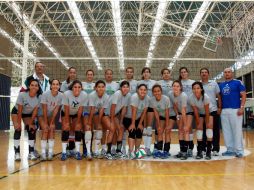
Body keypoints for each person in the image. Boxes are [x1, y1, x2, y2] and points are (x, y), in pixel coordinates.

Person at [12, 79, 42, 161]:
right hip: (17, 112)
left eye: (36, 85)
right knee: (18, 129)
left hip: (28, 114)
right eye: (32, 85)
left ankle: (31, 153)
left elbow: (35, 111)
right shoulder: (22, 95)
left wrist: (31, 123)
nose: (34, 87)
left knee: (32, 129)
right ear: (29, 86)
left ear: (38, 88)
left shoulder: (39, 97)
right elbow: (20, 110)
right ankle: (17, 153)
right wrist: (19, 123)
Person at [219, 68, 246, 158]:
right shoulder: (221, 84)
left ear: (232, 73)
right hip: (224, 110)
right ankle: (230, 150)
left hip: (235, 109)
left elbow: (243, 95)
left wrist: (241, 108)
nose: (227, 73)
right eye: (225, 72)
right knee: (226, 131)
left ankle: (239, 151)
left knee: (237, 130)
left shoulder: (238, 82)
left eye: (229, 72)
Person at [102, 81, 130, 159]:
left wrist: (121, 122)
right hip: (106, 115)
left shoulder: (127, 96)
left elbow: (124, 109)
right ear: (121, 88)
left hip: (114, 115)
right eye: (124, 87)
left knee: (121, 128)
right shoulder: (118, 93)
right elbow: (112, 107)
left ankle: (118, 151)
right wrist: (111, 121)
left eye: (127, 87)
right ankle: (108, 152)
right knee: (112, 128)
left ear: (129, 88)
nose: (125, 88)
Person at [61, 80, 88, 161]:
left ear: (81, 88)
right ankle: (64, 152)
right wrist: (67, 121)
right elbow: (66, 109)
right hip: (66, 112)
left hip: (76, 113)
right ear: (72, 88)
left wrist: (78, 121)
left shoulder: (84, 95)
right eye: (75, 87)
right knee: (66, 127)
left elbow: (80, 109)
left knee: (78, 128)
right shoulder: (66, 94)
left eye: (79, 87)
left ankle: (77, 152)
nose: (77, 89)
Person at [123, 84, 149, 159]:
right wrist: (133, 124)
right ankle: (130, 152)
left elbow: (144, 112)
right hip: (128, 118)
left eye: (144, 90)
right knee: (132, 131)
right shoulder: (134, 97)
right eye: (141, 89)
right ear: (137, 90)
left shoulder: (147, 98)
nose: (143, 91)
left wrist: (140, 124)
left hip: (138, 118)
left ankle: (136, 151)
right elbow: (134, 111)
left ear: (146, 91)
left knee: (139, 131)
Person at [38, 79, 63, 161]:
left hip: (50, 115)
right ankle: (43, 153)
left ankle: (50, 152)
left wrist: (51, 122)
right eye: (54, 84)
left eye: (57, 84)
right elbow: (44, 109)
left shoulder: (60, 95)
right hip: (42, 115)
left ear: (59, 86)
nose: (55, 86)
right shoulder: (45, 94)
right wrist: (46, 123)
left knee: (52, 128)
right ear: (51, 86)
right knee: (45, 129)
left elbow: (56, 109)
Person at [200, 68, 222, 156]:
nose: (204, 73)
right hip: (202, 111)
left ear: (208, 74)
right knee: (204, 130)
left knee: (215, 130)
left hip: (213, 110)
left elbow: (218, 96)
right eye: (202, 72)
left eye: (205, 72)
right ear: (200, 74)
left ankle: (215, 148)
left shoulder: (214, 83)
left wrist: (220, 107)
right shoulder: (198, 85)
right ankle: (204, 148)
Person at [86, 80, 109, 160]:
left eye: (102, 87)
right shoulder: (92, 95)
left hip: (96, 112)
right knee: (88, 129)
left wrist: (99, 123)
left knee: (99, 129)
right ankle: (88, 152)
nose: (101, 88)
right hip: (86, 112)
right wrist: (89, 122)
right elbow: (91, 109)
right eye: (99, 87)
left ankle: (96, 152)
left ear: (105, 88)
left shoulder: (106, 96)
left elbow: (101, 110)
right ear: (95, 88)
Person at [190, 82, 213, 160]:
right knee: (199, 129)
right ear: (192, 90)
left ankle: (208, 151)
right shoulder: (191, 98)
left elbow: (207, 112)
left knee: (209, 128)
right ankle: (199, 150)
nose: (196, 90)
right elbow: (196, 112)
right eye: (194, 88)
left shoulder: (205, 97)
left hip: (209, 112)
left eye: (198, 88)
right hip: (200, 113)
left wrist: (207, 123)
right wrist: (198, 123)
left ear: (201, 89)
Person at [120, 67, 138, 154]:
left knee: (132, 130)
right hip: (123, 108)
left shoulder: (136, 83)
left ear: (133, 73)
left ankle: (131, 150)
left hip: (133, 110)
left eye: (131, 72)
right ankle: (123, 148)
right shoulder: (121, 82)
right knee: (122, 130)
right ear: (125, 73)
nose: (129, 73)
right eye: (128, 72)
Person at [150, 84, 171, 159]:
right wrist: (158, 125)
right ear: (153, 93)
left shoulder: (166, 99)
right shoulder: (152, 100)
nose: (157, 93)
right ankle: (159, 150)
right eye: (155, 91)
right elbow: (156, 113)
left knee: (167, 131)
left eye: (158, 91)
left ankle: (166, 151)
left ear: (161, 91)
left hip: (170, 116)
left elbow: (167, 112)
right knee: (159, 131)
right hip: (161, 117)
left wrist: (168, 124)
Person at [169, 80, 189, 160]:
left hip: (188, 113)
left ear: (180, 87)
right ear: (172, 87)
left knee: (186, 130)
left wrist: (185, 124)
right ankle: (181, 151)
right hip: (180, 113)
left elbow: (184, 110)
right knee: (180, 131)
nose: (175, 88)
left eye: (177, 86)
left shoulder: (183, 95)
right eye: (174, 86)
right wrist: (177, 114)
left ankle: (185, 152)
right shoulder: (171, 94)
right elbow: (174, 105)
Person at [138, 67, 156, 156]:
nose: (146, 73)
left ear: (150, 74)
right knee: (143, 128)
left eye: (148, 72)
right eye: (144, 72)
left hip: (151, 106)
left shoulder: (153, 83)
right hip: (141, 106)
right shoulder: (139, 83)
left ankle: (148, 148)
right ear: (142, 74)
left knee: (149, 127)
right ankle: (145, 147)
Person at [60, 67, 77, 157]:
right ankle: (65, 148)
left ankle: (72, 147)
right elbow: (63, 97)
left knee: (73, 129)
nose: (72, 74)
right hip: (65, 109)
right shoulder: (64, 84)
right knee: (65, 128)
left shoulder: (77, 84)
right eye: (71, 72)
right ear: (68, 73)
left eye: (74, 72)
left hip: (74, 109)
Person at [101, 69, 119, 155]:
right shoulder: (101, 85)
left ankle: (113, 148)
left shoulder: (116, 85)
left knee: (114, 129)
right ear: (105, 75)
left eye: (110, 74)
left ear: (112, 75)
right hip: (103, 111)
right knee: (103, 130)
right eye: (107, 74)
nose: (109, 75)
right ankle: (104, 148)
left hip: (114, 111)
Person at [179, 67, 195, 157]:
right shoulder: (178, 83)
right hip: (181, 109)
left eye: (185, 72)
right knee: (182, 129)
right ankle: (183, 149)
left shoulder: (192, 82)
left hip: (190, 109)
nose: (183, 73)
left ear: (187, 73)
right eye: (182, 72)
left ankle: (190, 147)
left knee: (188, 128)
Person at [82, 69, 95, 157]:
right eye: (88, 74)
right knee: (85, 129)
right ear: (86, 75)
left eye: (91, 74)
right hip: (84, 110)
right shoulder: (82, 84)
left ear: (93, 76)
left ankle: (90, 149)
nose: (90, 76)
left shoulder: (95, 85)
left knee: (91, 129)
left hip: (93, 110)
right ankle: (85, 150)